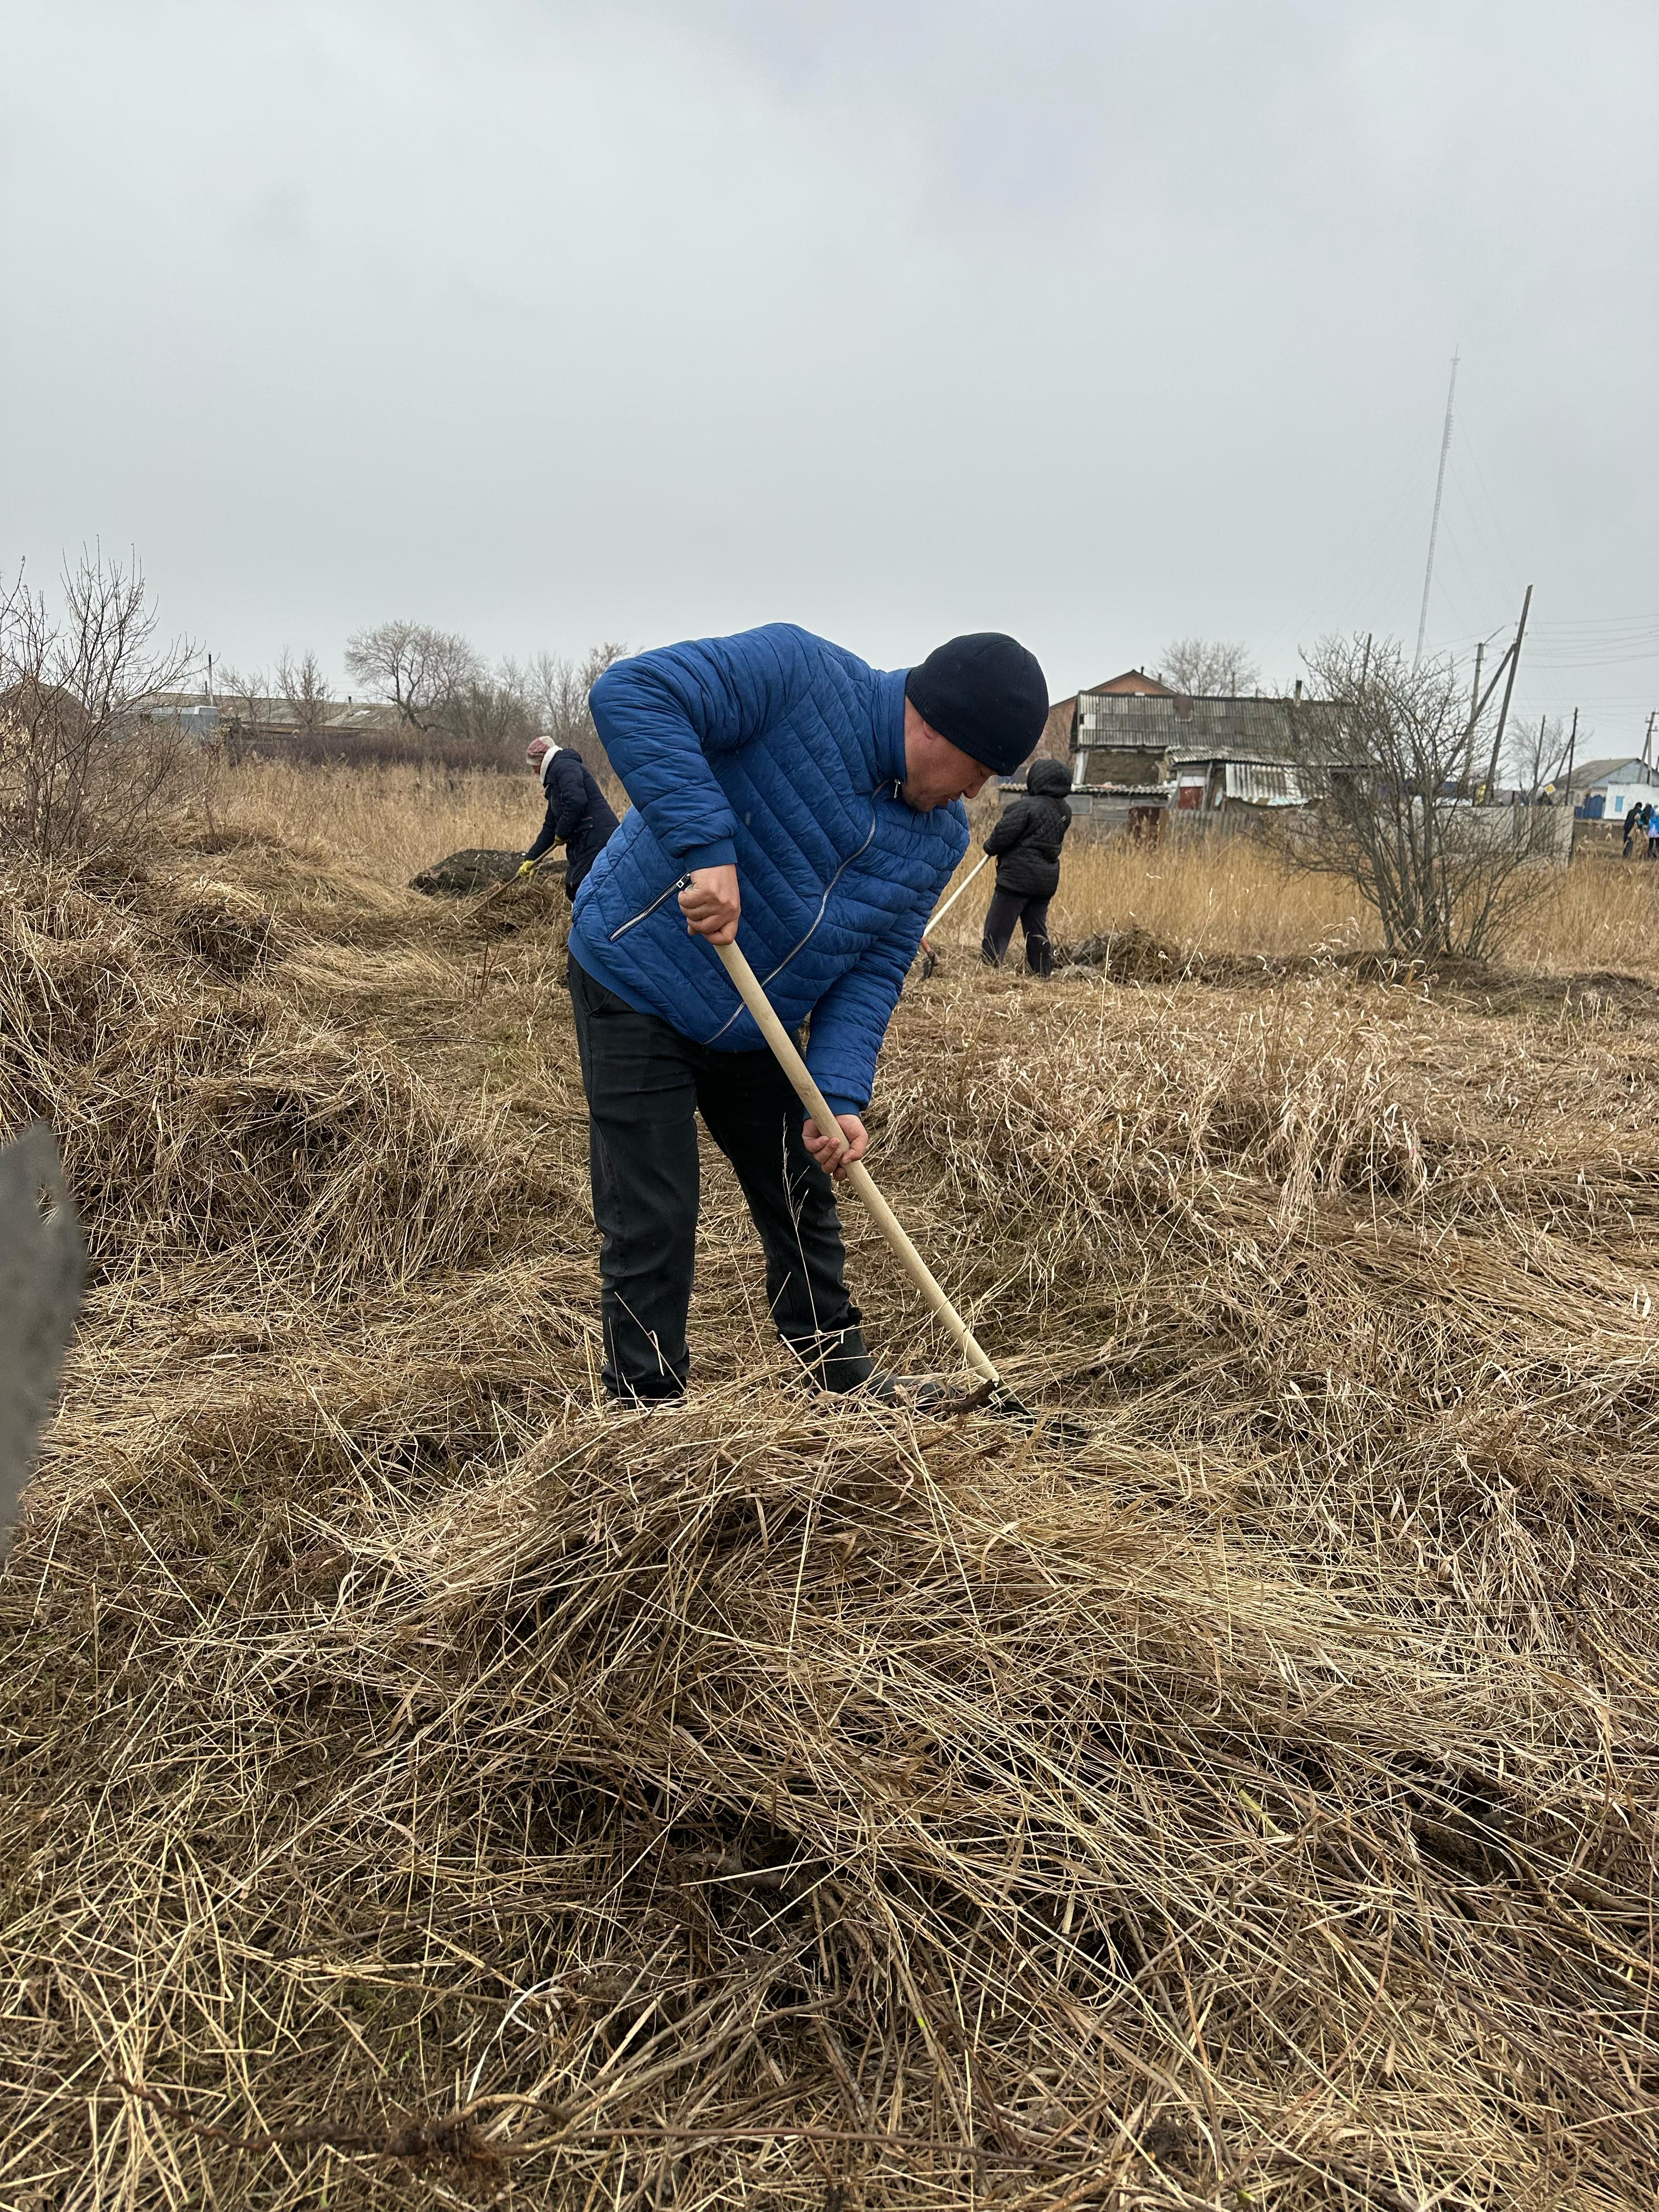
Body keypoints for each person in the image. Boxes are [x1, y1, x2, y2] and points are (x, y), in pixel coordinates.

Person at [567, 624, 1047, 1404]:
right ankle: (645, 1409)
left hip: (760, 1016)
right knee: (655, 1209)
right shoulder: (798, 676)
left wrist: (839, 1093)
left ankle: (840, 1376)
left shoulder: (937, 839)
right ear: (935, 727)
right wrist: (706, 846)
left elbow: (875, 966)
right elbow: (632, 693)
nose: (973, 794)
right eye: (978, 771)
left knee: (803, 1187)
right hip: (639, 973)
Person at [979, 757, 1074, 977]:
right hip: (1045, 881)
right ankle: (1042, 972)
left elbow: (1001, 836)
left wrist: (990, 847)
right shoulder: (1064, 811)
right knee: (1037, 930)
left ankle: (988, 969)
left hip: (1016, 879)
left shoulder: (1024, 807)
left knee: (999, 927)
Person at [517, 736, 620, 895]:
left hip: (597, 839)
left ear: (542, 761)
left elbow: (577, 801)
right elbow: (551, 826)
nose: (533, 770)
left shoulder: (564, 766)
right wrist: (531, 858)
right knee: (575, 889)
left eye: (534, 765)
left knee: (582, 890)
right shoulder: (555, 781)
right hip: (584, 841)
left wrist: (563, 832)